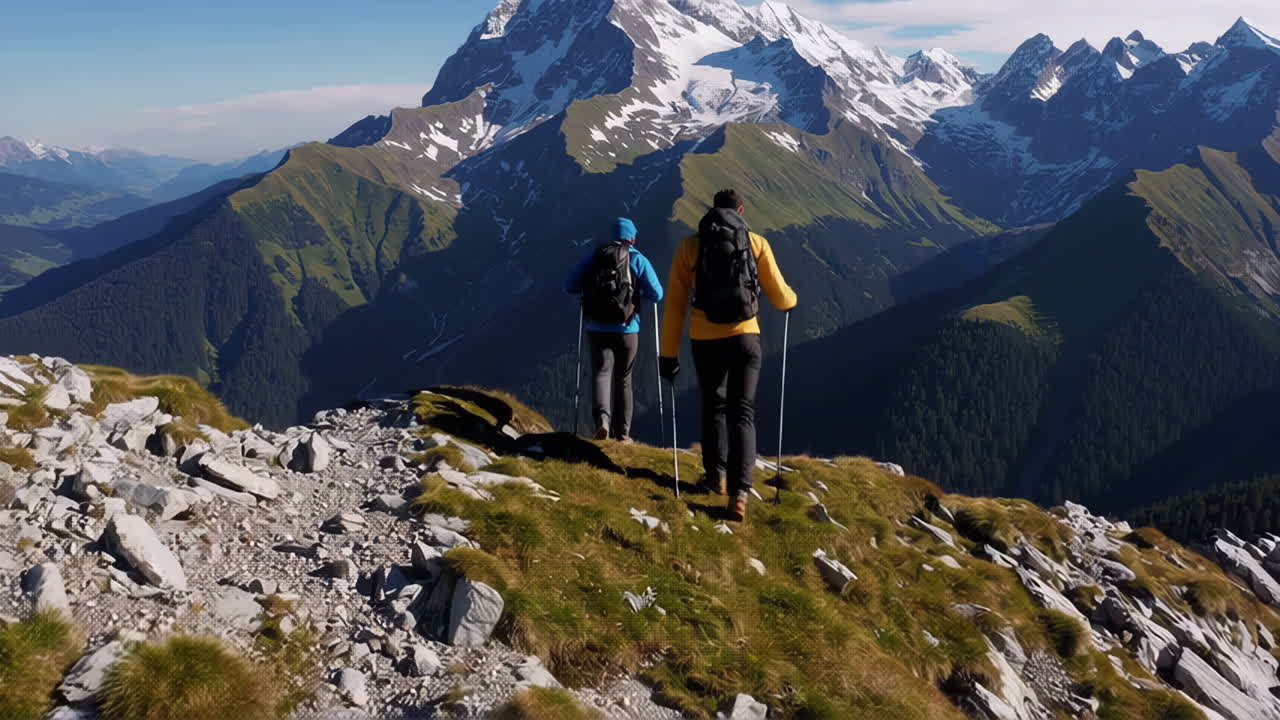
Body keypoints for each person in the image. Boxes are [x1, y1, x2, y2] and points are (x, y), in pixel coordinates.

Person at [659, 189, 796, 521]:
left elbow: (675, 305)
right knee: (742, 413)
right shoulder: (756, 242)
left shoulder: (690, 246)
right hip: (746, 338)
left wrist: (668, 353)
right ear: (741, 209)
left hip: (705, 340)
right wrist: (791, 300)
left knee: (713, 407)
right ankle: (739, 494)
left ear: (712, 210)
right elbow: (780, 297)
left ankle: (715, 477)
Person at [566, 217, 664, 442]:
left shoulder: (595, 257)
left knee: (601, 372)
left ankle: (602, 421)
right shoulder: (637, 259)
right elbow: (657, 294)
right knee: (624, 378)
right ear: (632, 237)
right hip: (627, 329)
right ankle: (623, 434)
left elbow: (569, 285)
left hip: (597, 328)